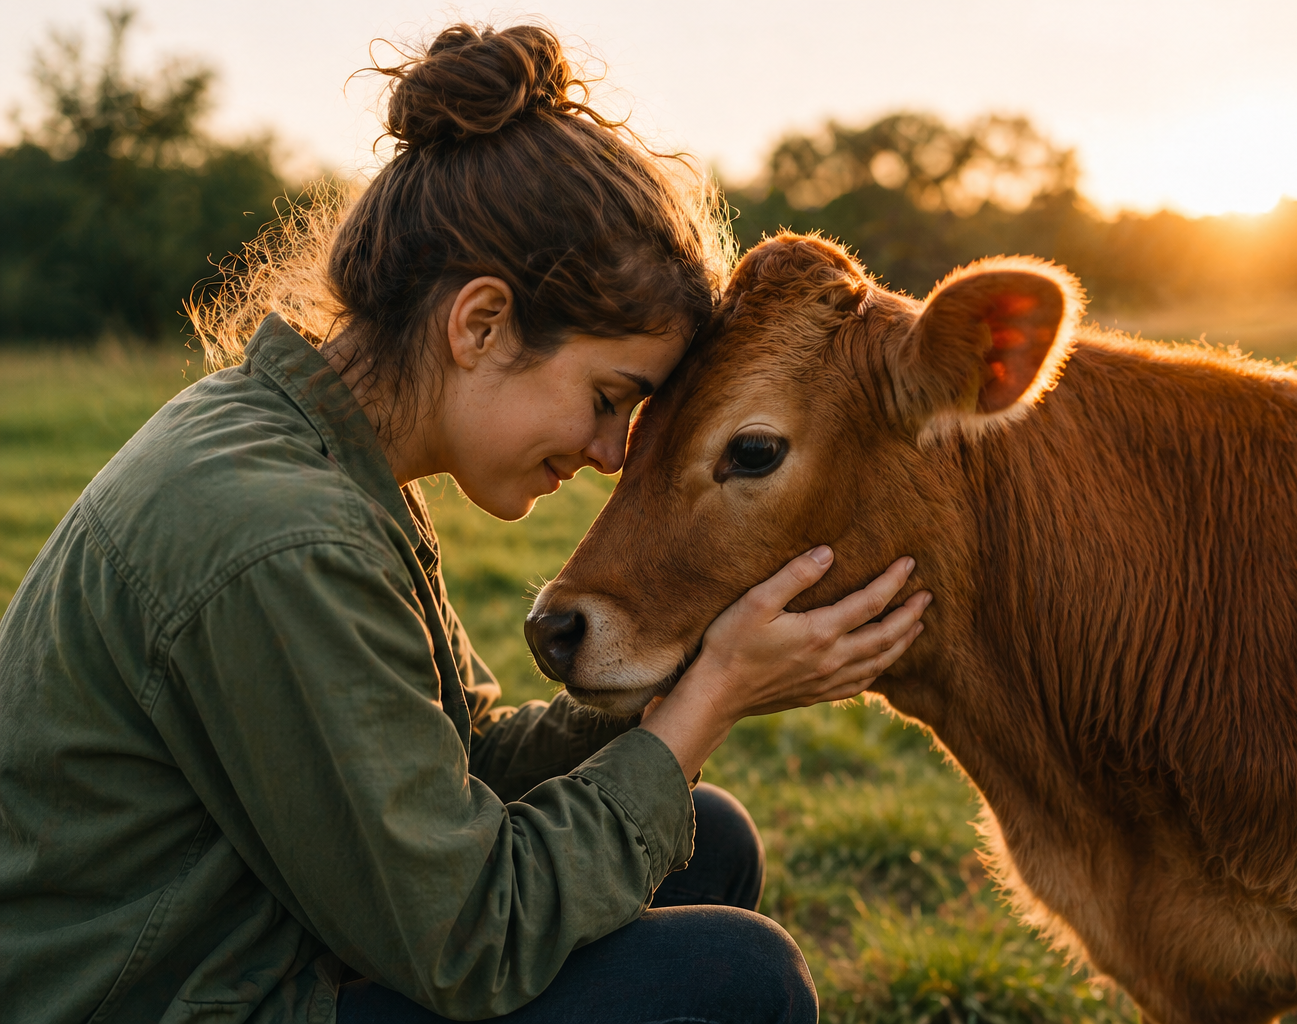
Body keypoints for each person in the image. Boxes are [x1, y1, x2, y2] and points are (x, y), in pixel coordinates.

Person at [0, 22, 931, 1024]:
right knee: (738, 981)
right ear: (479, 323)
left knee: (708, 837)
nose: (612, 451)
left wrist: (696, 667)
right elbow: (467, 938)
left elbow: (455, 767)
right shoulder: (285, 535)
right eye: (610, 395)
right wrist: (710, 697)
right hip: (162, 998)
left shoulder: (312, 453)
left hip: (242, 935)